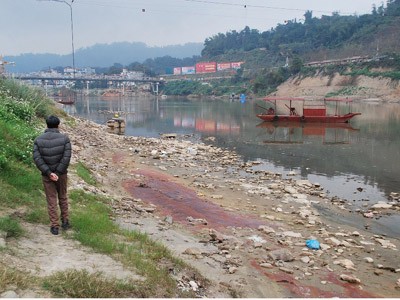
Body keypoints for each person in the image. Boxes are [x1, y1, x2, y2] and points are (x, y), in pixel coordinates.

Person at [33, 115, 72, 236]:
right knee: (63, 197)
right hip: (62, 174)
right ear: (58, 125)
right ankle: (65, 221)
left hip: (47, 175)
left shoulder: (38, 140)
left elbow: (37, 159)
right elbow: (66, 158)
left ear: (46, 125)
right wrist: (58, 173)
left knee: (51, 200)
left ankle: (54, 226)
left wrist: (49, 173)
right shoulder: (65, 139)